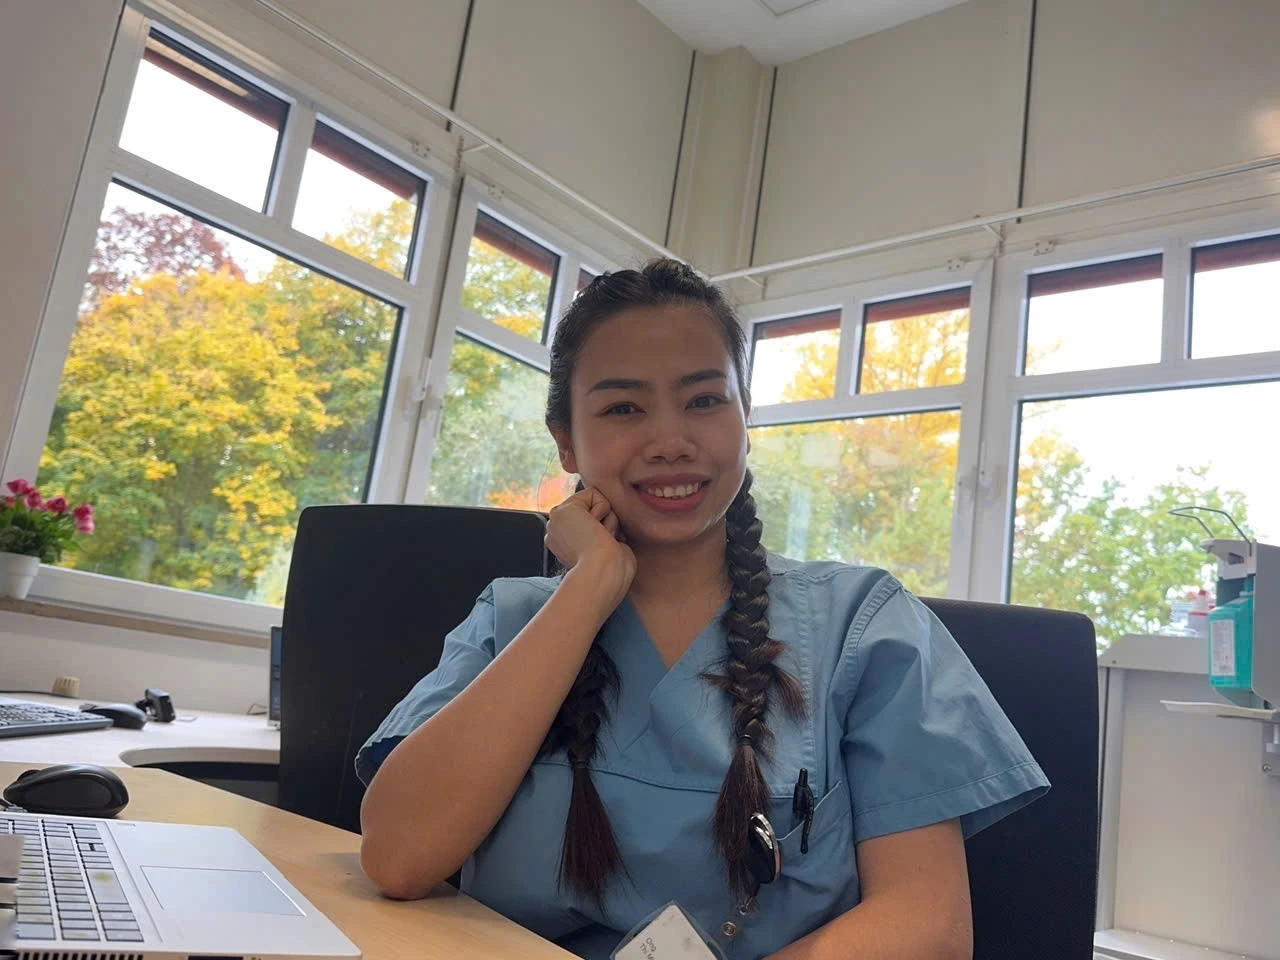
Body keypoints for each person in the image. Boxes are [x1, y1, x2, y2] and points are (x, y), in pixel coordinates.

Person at [356, 259, 1048, 960]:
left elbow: (928, 924)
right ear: (566, 441)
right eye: (623, 408)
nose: (670, 442)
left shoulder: (864, 627)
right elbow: (399, 859)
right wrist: (587, 589)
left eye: (705, 400)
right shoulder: (510, 619)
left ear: (746, 420)